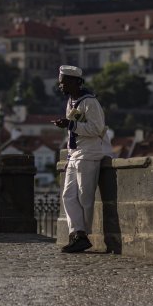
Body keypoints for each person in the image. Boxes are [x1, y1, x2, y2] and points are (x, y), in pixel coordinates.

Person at [52, 65, 111, 253]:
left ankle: (82, 234)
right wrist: (70, 126)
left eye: (63, 83)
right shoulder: (72, 101)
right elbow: (76, 126)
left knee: (85, 196)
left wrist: (70, 124)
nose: (60, 86)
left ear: (74, 82)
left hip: (89, 154)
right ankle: (78, 233)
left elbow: (96, 128)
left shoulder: (90, 102)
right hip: (75, 154)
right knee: (68, 195)